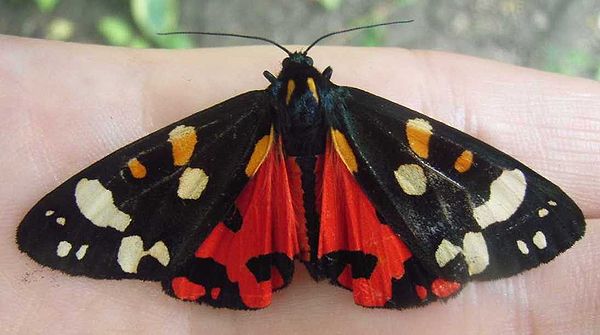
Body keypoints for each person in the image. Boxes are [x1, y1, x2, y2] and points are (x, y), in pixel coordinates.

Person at [1, 35, 598, 334]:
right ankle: (370, 265)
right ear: (322, 80)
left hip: (248, 226)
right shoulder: (393, 129)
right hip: (366, 220)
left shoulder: (216, 129)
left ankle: (257, 266)